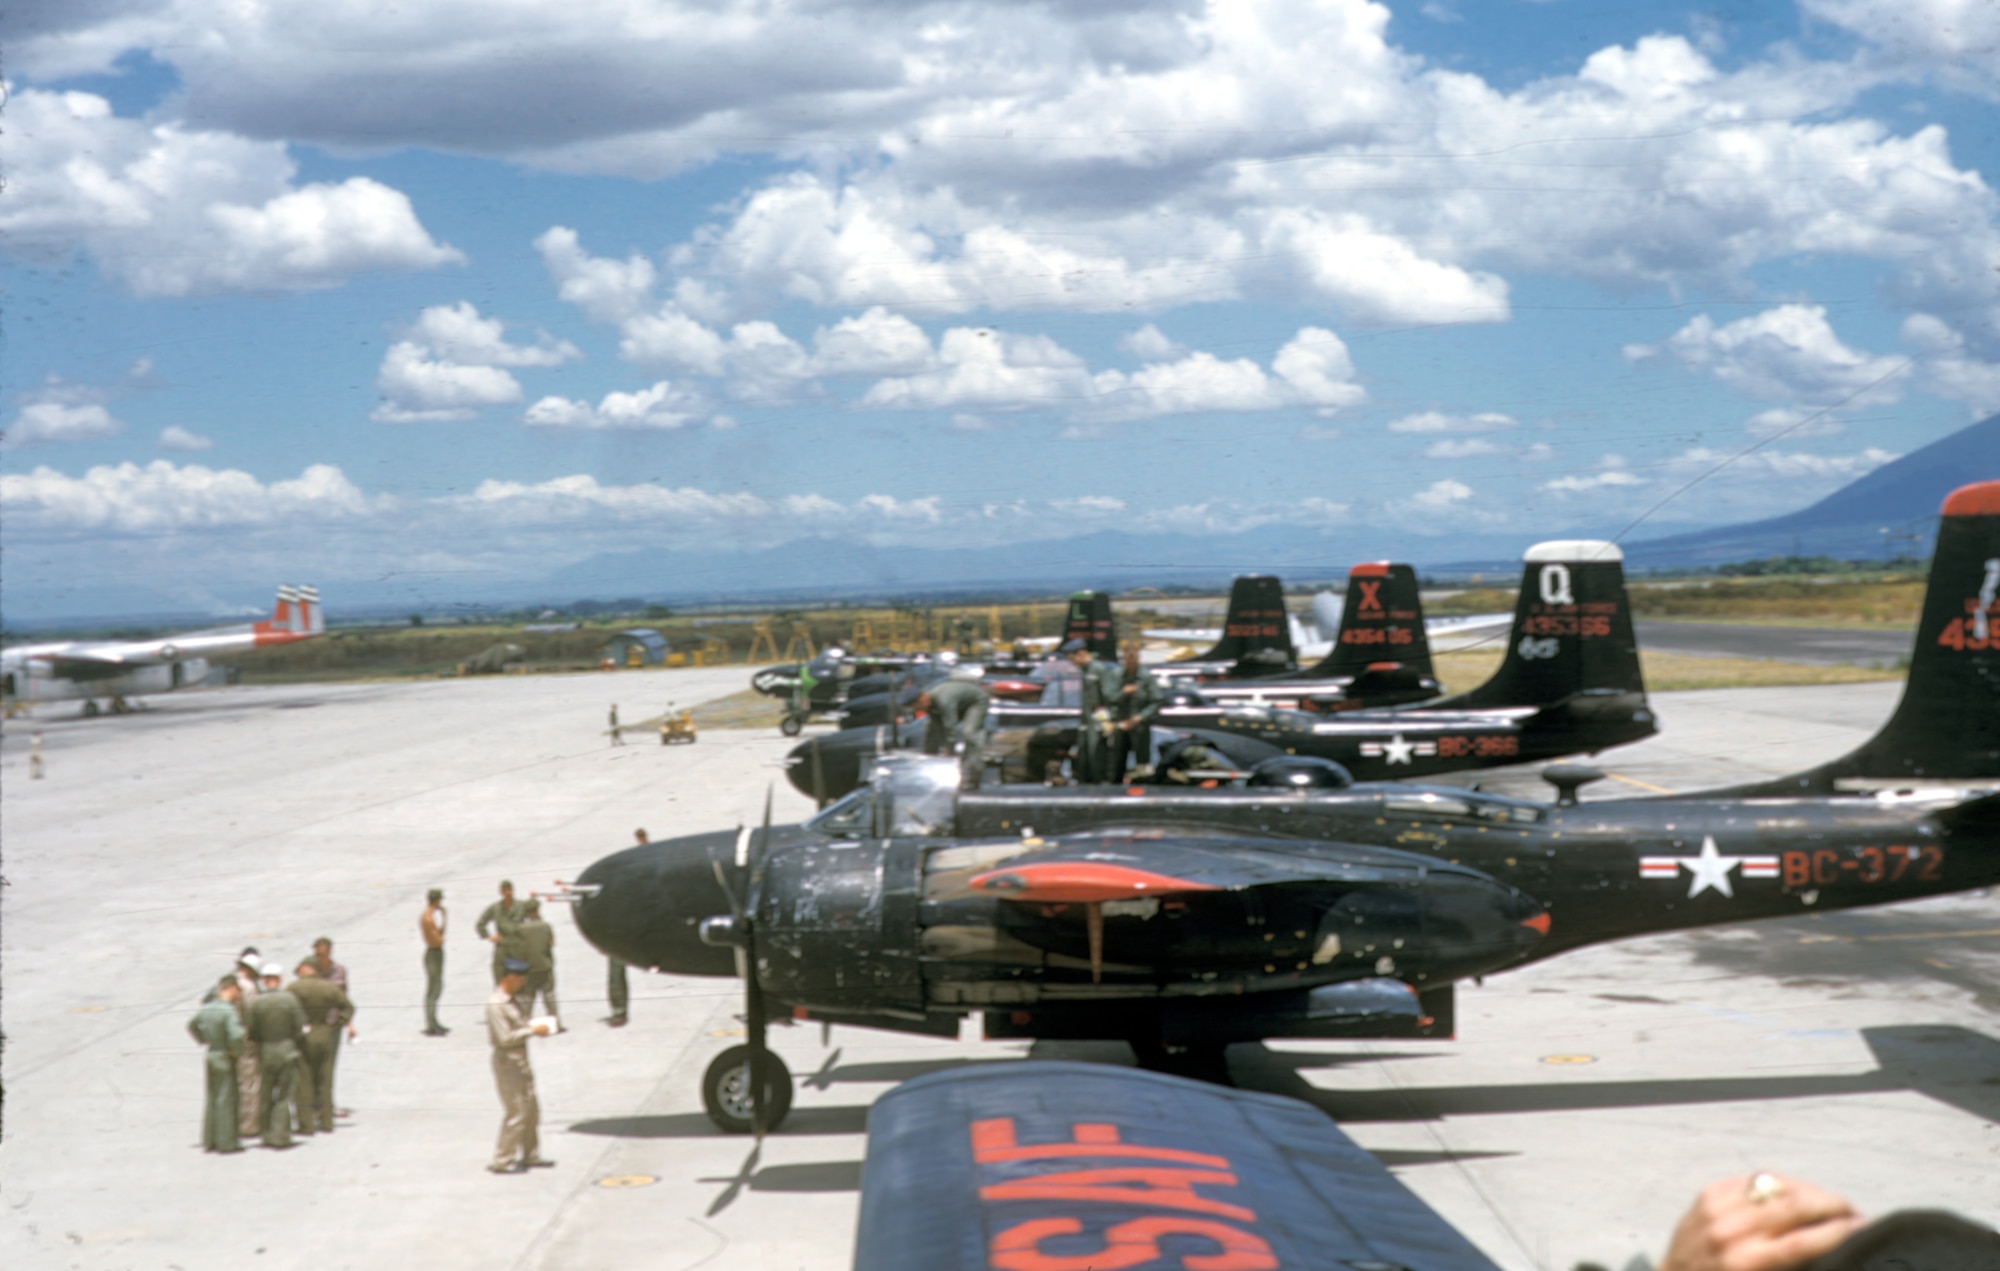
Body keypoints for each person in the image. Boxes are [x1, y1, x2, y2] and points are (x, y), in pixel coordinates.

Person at [486, 958, 554, 1174]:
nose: (524, 983)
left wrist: (534, 1027)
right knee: (516, 1111)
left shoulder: (513, 1001)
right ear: (511, 977)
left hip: (520, 1060)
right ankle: (502, 1160)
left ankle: (530, 1155)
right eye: (521, 979)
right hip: (508, 1061)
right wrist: (532, 1031)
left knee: (531, 1109)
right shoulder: (497, 1004)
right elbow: (504, 1038)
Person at [287, 960, 354, 1135]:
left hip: (304, 1035)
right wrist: (335, 1025)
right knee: (325, 1079)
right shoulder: (329, 988)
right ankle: (326, 1121)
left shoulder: (293, 988)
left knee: (304, 1080)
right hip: (325, 1032)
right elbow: (348, 1007)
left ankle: (306, 1124)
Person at [246, 961, 305, 1148]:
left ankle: (267, 1134)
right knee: (284, 1096)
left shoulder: (256, 1002)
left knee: (265, 1094)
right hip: (287, 1049)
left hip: (266, 1051)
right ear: (279, 979)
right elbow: (299, 1026)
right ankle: (281, 1135)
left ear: (263, 980)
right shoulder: (290, 999)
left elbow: (252, 1031)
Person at [187, 975, 246, 1153]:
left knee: (212, 1097)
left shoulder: (207, 1008)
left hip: (211, 1053)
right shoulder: (228, 1011)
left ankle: (210, 1139)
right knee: (226, 1098)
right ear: (232, 988)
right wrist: (236, 1051)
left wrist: (203, 1039)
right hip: (224, 1055)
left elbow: (191, 1025)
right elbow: (236, 1035)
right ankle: (227, 1142)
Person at [916, 667, 990, 784]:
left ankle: (976, 771)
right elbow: (937, 727)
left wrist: (949, 751)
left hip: (976, 702)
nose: (918, 709)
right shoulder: (930, 704)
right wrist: (940, 746)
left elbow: (950, 726)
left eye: (917, 706)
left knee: (969, 732)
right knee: (929, 728)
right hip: (960, 703)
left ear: (923, 699)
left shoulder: (943, 700)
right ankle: (928, 763)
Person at [310, 937, 355, 1117]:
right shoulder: (310, 971)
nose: (320, 957)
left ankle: (328, 1105)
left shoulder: (340, 971)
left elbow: (344, 999)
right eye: (317, 953)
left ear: (330, 952)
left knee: (329, 1067)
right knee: (313, 1067)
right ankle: (313, 1106)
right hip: (314, 1025)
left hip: (333, 1025)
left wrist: (348, 1023)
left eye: (323, 953)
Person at [1067, 638, 1122, 783]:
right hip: (1087, 722)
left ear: (1081, 653)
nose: (1073, 663)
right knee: (1085, 757)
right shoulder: (1085, 671)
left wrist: (1110, 720)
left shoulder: (1098, 669)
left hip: (1099, 721)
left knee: (1097, 756)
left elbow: (1110, 696)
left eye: (1073, 658)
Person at [1107, 644, 1162, 779]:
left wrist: (1139, 718)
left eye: (1133, 657)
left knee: (1142, 763)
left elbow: (1157, 700)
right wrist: (1123, 693)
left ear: (1138, 657)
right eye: (1128, 657)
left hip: (1139, 725)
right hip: (1120, 724)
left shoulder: (1146, 677)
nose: (1131, 660)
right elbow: (1109, 697)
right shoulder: (1116, 675)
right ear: (1123, 658)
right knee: (1117, 762)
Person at [515, 898, 560, 1029]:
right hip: (544, 966)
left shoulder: (520, 929)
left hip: (528, 969)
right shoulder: (545, 926)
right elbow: (551, 944)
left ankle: (523, 1025)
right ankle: (555, 1025)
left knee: (527, 999)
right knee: (549, 996)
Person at [476, 880, 527, 984]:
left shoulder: (521, 906)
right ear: (501, 892)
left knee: (520, 977)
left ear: (513, 890)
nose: (507, 893)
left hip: (518, 945)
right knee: (499, 975)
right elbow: (480, 923)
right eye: (505, 890)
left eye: (509, 890)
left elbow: (534, 920)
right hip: (502, 946)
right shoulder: (495, 908)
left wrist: (527, 938)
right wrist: (488, 936)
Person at [421, 888, 448, 1035]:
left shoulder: (430, 916)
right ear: (436, 900)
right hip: (433, 954)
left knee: (436, 987)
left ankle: (434, 1021)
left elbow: (439, 935)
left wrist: (444, 919)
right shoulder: (428, 918)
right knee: (433, 989)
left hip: (435, 952)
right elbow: (439, 939)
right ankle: (431, 1024)